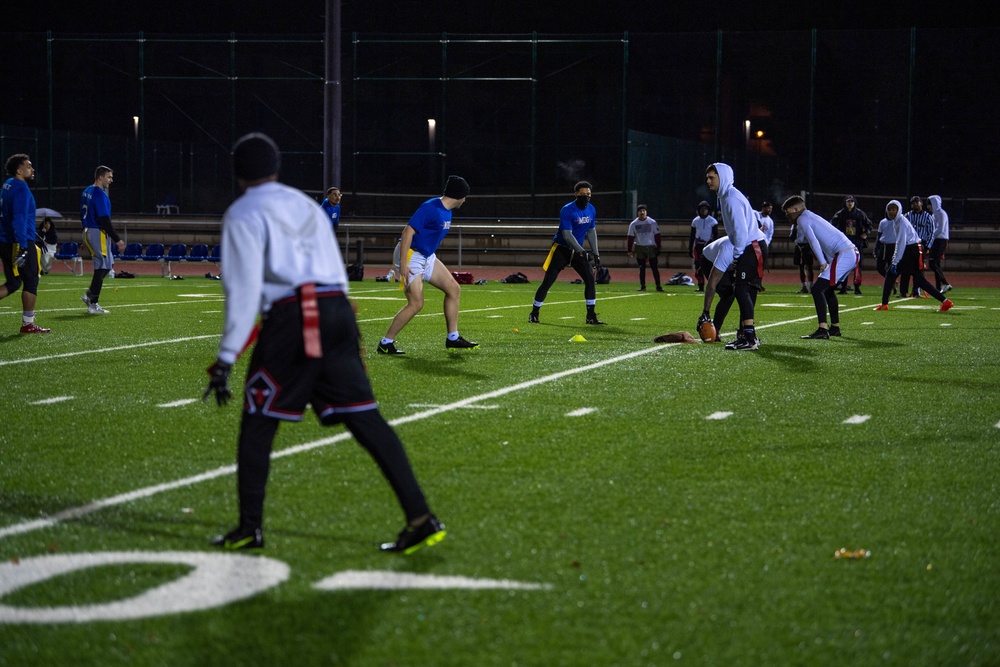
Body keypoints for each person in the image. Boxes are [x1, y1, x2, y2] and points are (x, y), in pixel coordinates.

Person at [204, 132, 445, 554]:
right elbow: (333, 268)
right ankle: (421, 516)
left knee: (258, 419)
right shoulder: (303, 204)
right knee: (366, 418)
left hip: (295, 317)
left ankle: (249, 526)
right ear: (276, 168)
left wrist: (225, 360)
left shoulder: (242, 212)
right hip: (335, 311)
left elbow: (242, 292)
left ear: (237, 173)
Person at [377, 175, 477, 354]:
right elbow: (407, 232)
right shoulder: (430, 208)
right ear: (458, 195)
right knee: (416, 303)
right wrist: (402, 264)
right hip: (410, 254)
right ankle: (386, 343)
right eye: (465, 196)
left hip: (426, 255)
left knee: (454, 289)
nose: (465, 200)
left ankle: (453, 338)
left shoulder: (447, 210)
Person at [705, 162, 766, 350]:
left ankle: (749, 337)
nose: (708, 181)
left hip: (751, 245)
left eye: (712, 177)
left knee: (741, 289)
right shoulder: (726, 195)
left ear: (722, 177)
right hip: (752, 244)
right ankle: (747, 335)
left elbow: (740, 230)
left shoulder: (730, 197)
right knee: (744, 290)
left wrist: (738, 255)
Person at [528, 181, 606, 325]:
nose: (586, 197)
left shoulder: (591, 209)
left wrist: (596, 253)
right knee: (548, 282)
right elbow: (567, 235)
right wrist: (581, 251)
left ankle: (591, 315)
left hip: (577, 251)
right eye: (582, 194)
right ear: (575, 194)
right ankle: (534, 313)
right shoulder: (567, 209)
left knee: (590, 279)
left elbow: (591, 231)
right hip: (562, 249)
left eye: (588, 194)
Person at [781, 195, 858, 339]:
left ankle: (822, 329)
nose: (787, 214)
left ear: (796, 209)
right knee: (827, 290)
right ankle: (834, 327)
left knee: (817, 289)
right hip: (847, 253)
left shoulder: (803, 218)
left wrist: (823, 263)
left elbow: (813, 241)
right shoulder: (809, 216)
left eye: (788, 211)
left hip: (845, 254)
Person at [873, 199, 953, 313]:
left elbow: (901, 244)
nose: (891, 212)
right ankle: (945, 302)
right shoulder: (898, 220)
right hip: (912, 249)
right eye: (889, 209)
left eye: (894, 209)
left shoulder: (901, 222)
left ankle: (885, 304)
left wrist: (895, 262)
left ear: (899, 210)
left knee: (895, 275)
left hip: (912, 251)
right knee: (916, 280)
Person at [0, 154, 49, 334]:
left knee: (13, 283)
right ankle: (28, 324)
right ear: (19, 170)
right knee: (31, 281)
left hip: (5, 240)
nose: (32, 169)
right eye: (28, 166)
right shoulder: (21, 188)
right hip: (19, 241)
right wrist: (23, 245)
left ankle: (28, 323)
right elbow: (19, 218)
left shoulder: (7, 185)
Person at [80, 166, 125, 315]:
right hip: (97, 232)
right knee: (102, 267)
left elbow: (84, 214)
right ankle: (92, 303)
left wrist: (86, 237)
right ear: (100, 177)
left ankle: (90, 295)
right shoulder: (99, 194)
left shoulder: (87, 191)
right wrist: (117, 239)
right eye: (109, 177)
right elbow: (104, 219)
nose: (111, 180)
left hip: (89, 231)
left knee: (106, 266)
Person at [695, 235, 737, 343]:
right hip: (709, 260)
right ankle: (716, 329)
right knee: (728, 295)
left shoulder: (751, 247)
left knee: (744, 291)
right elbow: (712, 282)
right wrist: (706, 311)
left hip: (731, 262)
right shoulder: (728, 249)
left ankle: (746, 330)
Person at [829, 195, 872, 294]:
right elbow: (832, 225)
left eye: (852, 201)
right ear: (845, 202)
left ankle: (857, 287)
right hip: (844, 244)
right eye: (848, 201)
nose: (850, 203)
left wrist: (865, 233)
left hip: (857, 243)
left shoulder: (860, 214)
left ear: (854, 202)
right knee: (844, 265)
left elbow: (869, 225)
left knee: (858, 266)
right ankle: (843, 287)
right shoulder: (840, 214)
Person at [626, 204, 662, 292]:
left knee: (654, 267)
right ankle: (643, 286)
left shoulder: (652, 222)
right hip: (640, 247)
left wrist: (658, 247)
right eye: (640, 211)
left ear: (646, 212)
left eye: (643, 211)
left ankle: (658, 286)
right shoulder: (634, 224)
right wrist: (629, 250)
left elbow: (657, 235)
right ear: (637, 213)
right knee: (642, 268)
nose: (642, 212)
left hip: (650, 247)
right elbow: (630, 237)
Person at [903, 195, 934, 297]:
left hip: (921, 244)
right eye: (913, 203)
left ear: (921, 203)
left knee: (919, 268)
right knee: (906, 268)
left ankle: (916, 290)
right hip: (909, 245)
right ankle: (903, 291)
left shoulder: (927, 217)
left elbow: (931, 233)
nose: (915, 204)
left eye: (917, 202)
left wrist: (928, 246)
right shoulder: (907, 216)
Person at [688, 200, 717, 292]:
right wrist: (690, 248)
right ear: (699, 210)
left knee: (710, 266)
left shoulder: (713, 221)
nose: (704, 210)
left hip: (709, 246)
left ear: (708, 210)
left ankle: (712, 285)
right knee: (698, 266)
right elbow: (692, 236)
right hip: (698, 246)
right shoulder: (695, 221)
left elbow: (716, 235)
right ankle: (700, 285)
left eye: (705, 209)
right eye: (702, 208)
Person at [926, 195, 952, 293]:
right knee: (936, 263)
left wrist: (930, 236)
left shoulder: (941, 214)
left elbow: (940, 229)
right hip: (937, 240)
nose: (928, 207)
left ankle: (945, 283)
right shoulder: (935, 214)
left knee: (932, 263)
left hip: (940, 240)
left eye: (929, 204)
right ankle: (938, 287)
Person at [790, 219, 815, 294]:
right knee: (801, 267)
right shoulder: (794, 226)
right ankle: (804, 286)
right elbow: (792, 237)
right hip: (798, 246)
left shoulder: (809, 224)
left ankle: (811, 286)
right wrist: (794, 228)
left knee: (809, 267)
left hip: (807, 247)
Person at [754, 200, 775, 291]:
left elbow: (770, 234)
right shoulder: (756, 215)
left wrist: (766, 243)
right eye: (768, 208)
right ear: (763, 208)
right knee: (753, 263)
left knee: (761, 265)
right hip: (754, 242)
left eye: (770, 208)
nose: (769, 210)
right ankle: (752, 282)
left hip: (763, 244)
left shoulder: (770, 221)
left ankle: (758, 283)